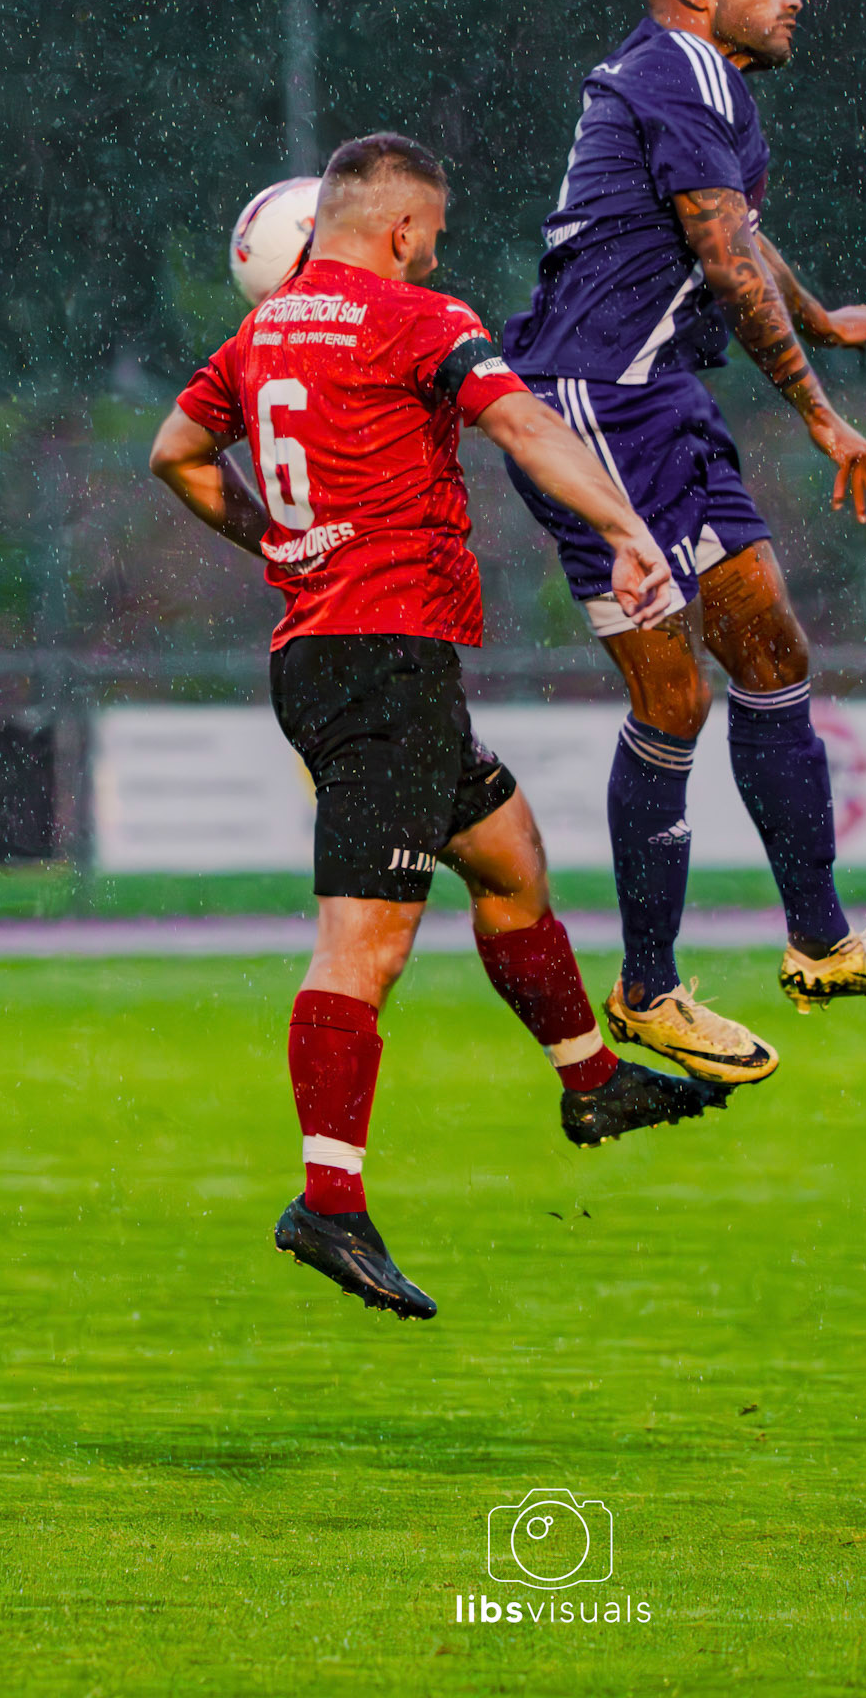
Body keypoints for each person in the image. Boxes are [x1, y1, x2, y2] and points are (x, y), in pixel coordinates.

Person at [149, 132, 728, 1324]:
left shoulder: (262, 335)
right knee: (365, 948)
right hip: (383, 662)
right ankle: (328, 1200)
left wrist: (273, 541)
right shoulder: (414, 318)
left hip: (337, 654)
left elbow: (176, 453)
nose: (438, 252)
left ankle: (591, 1078)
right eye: (437, 235)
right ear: (404, 230)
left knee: (511, 862)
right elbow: (522, 425)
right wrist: (625, 525)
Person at [502, 0, 866, 1076]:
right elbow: (719, 256)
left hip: (662, 395)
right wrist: (818, 410)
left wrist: (819, 319)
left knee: (770, 648)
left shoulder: (696, 88)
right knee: (673, 692)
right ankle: (649, 989)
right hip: (597, 397)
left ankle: (821, 939)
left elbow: (737, 237)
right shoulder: (676, 64)